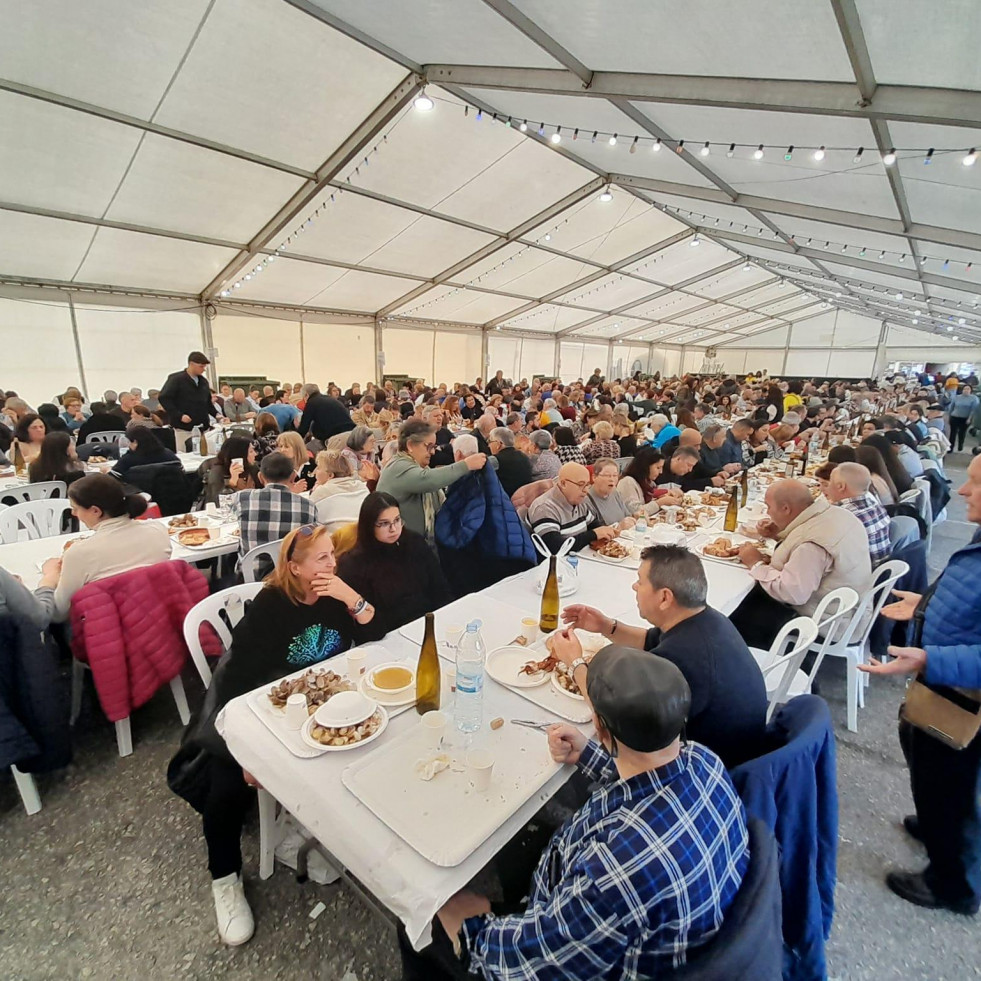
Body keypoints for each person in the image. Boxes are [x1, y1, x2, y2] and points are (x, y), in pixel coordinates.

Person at [408, 647, 749, 979]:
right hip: (666, 926)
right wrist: (590, 755)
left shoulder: (615, 873)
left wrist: (467, 925)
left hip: (594, 955)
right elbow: (646, 779)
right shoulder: (704, 760)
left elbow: (534, 962)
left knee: (418, 929)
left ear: (600, 729)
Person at [168, 525, 375, 946]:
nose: (332, 564)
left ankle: (299, 831)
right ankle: (224, 880)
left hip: (320, 699)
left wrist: (352, 598)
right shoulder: (271, 605)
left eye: (331, 555)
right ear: (294, 567)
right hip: (262, 702)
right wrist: (248, 753)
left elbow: (371, 634)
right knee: (226, 786)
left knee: (369, 737)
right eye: (321, 558)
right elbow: (236, 678)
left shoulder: (336, 595)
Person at [859, 453, 981, 913]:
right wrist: (923, 605)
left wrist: (931, 655)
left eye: (974, 483)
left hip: (960, 688)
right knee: (922, 751)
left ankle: (954, 885)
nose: (962, 489)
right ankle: (936, 826)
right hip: (943, 676)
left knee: (951, 778)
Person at [559, 545, 766, 766]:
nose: (634, 586)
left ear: (665, 598)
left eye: (640, 581)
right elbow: (650, 640)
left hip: (708, 768)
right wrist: (606, 626)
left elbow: (616, 714)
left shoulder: (681, 658)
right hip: (743, 749)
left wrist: (574, 663)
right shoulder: (706, 619)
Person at [730, 478, 872, 648]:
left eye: (769, 507)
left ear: (785, 509)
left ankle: (749, 661)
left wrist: (756, 563)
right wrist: (782, 531)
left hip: (827, 622)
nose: (768, 513)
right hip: (849, 610)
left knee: (736, 612)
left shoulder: (812, 545)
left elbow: (793, 593)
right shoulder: (836, 514)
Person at [40, 474, 172, 621]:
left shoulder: (79, 553)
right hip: (159, 618)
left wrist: (49, 579)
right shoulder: (158, 530)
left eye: (75, 508)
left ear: (96, 511)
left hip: (107, 629)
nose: (73, 514)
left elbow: (59, 614)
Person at [337, 493, 450, 642]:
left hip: (430, 627)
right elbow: (365, 631)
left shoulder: (414, 542)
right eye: (384, 523)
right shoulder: (353, 564)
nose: (394, 529)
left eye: (397, 520)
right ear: (369, 525)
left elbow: (441, 590)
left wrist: (445, 622)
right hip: (387, 639)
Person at [376, 419, 486, 543]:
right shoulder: (398, 467)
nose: (433, 452)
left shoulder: (418, 467)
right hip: (401, 549)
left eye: (434, 447)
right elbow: (429, 479)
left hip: (417, 546)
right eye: (428, 446)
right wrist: (465, 465)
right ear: (410, 445)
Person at [235, 453, 318, 571]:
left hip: (252, 577)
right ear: (294, 477)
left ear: (260, 477)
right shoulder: (308, 506)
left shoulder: (243, 498)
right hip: (291, 577)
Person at [527, 462, 616, 553]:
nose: (586, 490)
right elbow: (555, 547)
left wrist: (605, 532)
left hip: (580, 557)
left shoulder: (579, 500)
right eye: (581, 484)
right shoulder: (544, 507)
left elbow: (595, 526)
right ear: (563, 483)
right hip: (558, 563)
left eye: (587, 485)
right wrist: (594, 534)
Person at [825, 463, 892, 566]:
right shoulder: (875, 504)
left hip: (860, 575)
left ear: (841, 486)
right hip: (881, 568)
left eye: (830, 481)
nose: (828, 486)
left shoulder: (844, 515)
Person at [159, 352, 222, 452]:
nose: (203, 369)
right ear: (191, 364)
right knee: (185, 453)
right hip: (184, 428)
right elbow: (164, 398)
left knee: (205, 452)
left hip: (203, 426)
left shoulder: (203, 381)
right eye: (201, 366)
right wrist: (179, 415)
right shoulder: (176, 379)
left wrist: (217, 414)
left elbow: (207, 403)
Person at [618, 447, 681, 515]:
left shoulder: (647, 482)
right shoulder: (628, 482)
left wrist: (664, 496)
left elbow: (653, 495)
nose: (661, 472)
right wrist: (660, 503)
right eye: (658, 467)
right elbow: (635, 511)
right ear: (646, 466)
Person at [108, 424, 180, 481]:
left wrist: (107, 471)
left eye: (129, 442)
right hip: (172, 494)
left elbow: (114, 477)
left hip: (141, 495)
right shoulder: (168, 454)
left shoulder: (128, 459)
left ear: (135, 442)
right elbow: (180, 470)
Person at [585, 459, 637, 533]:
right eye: (607, 475)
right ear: (594, 477)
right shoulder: (586, 500)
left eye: (615, 475)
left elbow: (628, 515)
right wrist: (619, 527)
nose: (612, 479)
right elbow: (594, 533)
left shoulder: (615, 493)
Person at [205, 436, 259, 506]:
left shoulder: (253, 468)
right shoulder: (217, 473)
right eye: (251, 451)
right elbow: (217, 502)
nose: (255, 454)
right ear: (240, 455)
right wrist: (232, 483)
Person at [486, 427, 533, 497]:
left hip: (505, 501)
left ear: (499, 444)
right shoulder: (525, 457)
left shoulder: (495, 460)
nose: (488, 445)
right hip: (525, 499)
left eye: (490, 441)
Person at [948, 384, 979, 452]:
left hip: (965, 418)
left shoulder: (974, 398)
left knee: (962, 433)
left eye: (968, 389)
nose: (966, 390)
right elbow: (951, 407)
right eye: (965, 389)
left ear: (971, 390)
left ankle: (960, 445)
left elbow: (973, 410)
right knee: (952, 433)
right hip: (955, 417)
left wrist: (969, 418)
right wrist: (949, 416)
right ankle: (951, 447)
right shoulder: (957, 397)